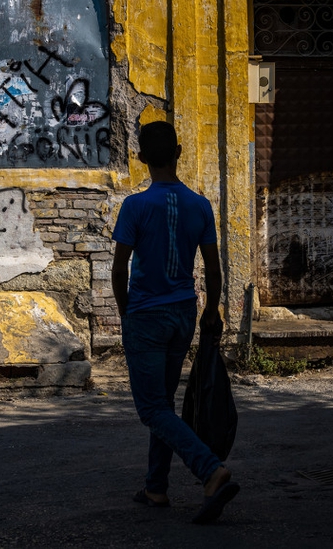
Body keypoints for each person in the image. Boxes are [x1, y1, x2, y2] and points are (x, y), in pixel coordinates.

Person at [111, 120, 240, 524]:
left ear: (142, 158)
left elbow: (119, 269)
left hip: (146, 316)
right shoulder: (200, 205)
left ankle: (210, 470)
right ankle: (155, 487)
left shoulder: (135, 206)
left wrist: (125, 312)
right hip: (184, 314)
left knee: (151, 409)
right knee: (163, 404)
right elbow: (214, 271)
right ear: (179, 153)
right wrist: (212, 311)